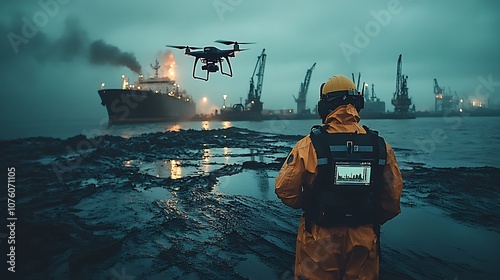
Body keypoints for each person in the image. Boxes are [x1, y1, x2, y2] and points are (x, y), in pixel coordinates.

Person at [275, 74, 403, 279]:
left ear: (323, 107)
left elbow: (284, 190)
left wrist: (310, 204)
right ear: (358, 104)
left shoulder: (309, 145)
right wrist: (367, 217)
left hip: (319, 238)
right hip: (364, 236)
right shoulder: (381, 147)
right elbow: (392, 201)